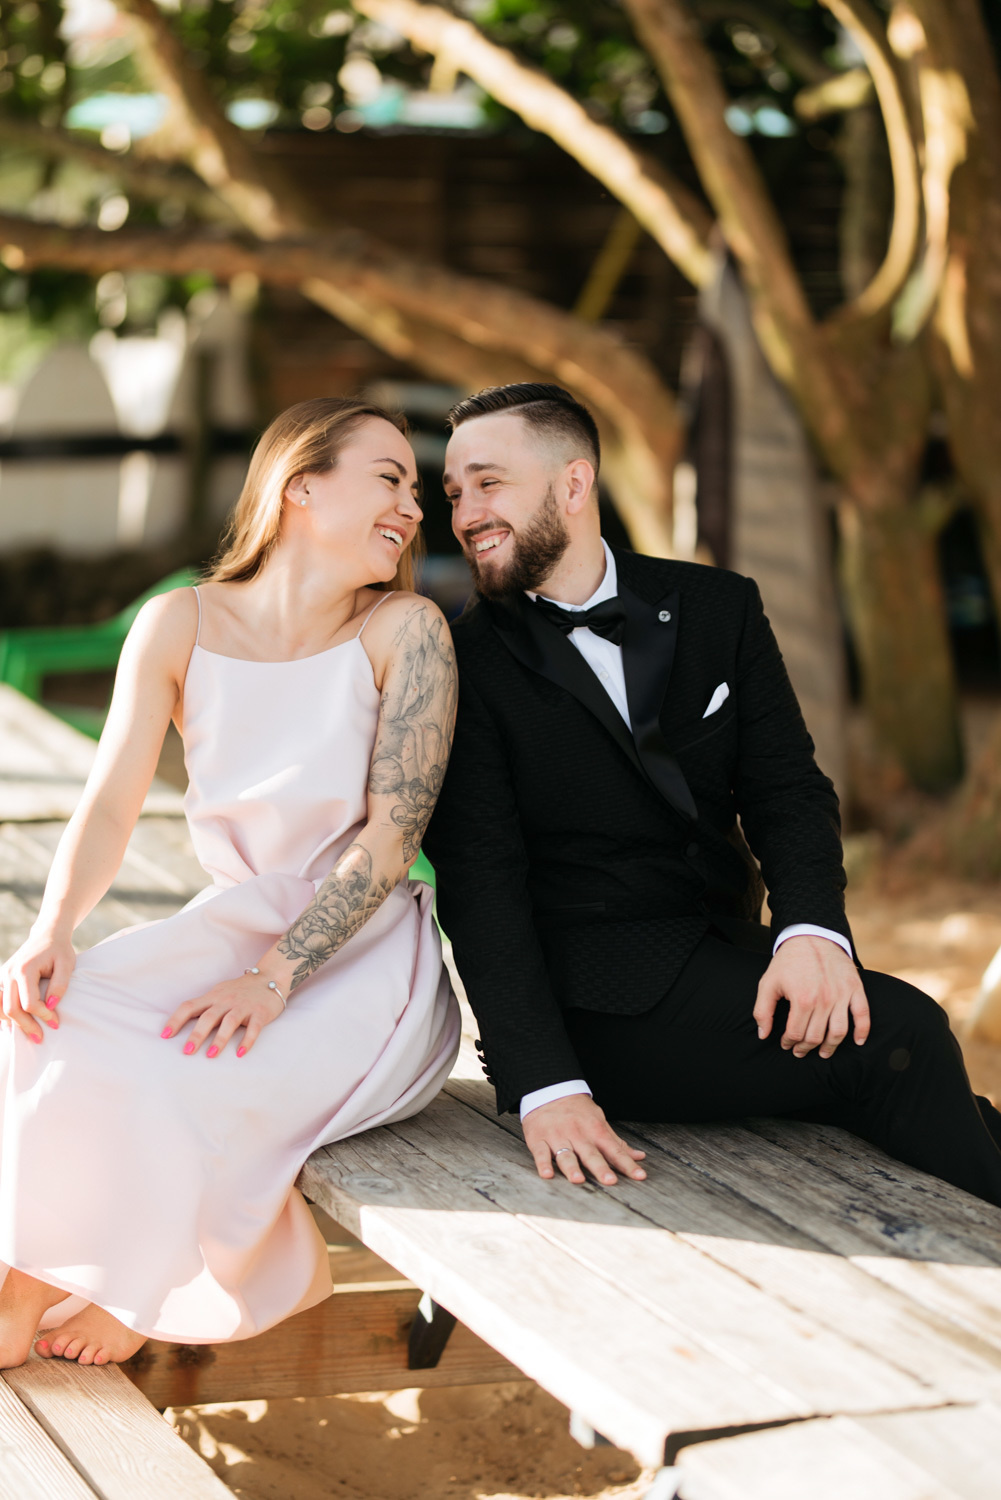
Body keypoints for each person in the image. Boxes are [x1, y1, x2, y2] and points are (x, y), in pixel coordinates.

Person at [424, 381, 1001, 1209]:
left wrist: (811, 931)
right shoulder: (464, 662)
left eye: (488, 483)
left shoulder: (717, 608)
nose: (466, 511)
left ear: (574, 483)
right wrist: (544, 1085)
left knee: (928, 1091)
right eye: (453, 494)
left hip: (726, 952)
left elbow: (787, 788)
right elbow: (480, 888)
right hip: (601, 1009)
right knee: (900, 1034)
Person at [0, 397, 461, 1369]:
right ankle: (109, 1274)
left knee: (180, 1068)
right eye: (389, 478)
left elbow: (390, 837)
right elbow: (111, 803)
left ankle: (53, 1293)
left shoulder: (406, 630)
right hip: (230, 923)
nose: (412, 509)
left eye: (414, 493)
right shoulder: (178, 620)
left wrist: (276, 977)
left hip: (369, 965)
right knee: (39, 1025)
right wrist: (53, 930)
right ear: (300, 483)